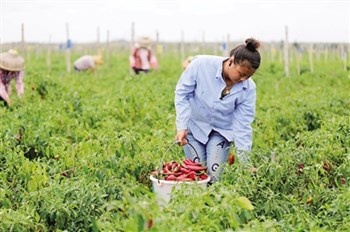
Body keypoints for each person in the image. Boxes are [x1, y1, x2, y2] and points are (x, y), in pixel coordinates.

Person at [174, 38, 261, 182]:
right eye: (241, 74)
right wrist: (182, 126)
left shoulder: (248, 88)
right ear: (231, 61)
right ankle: (198, 202)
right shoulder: (201, 66)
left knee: (214, 175)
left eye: (248, 76)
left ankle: (212, 201)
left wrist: (245, 162)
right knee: (197, 174)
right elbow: (182, 94)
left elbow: (243, 125)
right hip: (194, 127)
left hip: (221, 131)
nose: (243, 79)